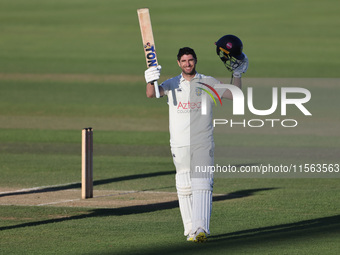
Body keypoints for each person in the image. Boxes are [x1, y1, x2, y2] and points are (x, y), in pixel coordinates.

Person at [144, 35, 248, 242]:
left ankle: (201, 229)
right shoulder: (172, 83)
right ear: (178, 63)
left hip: (202, 141)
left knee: (202, 183)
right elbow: (152, 94)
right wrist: (150, 79)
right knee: (183, 184)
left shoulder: (207, 81)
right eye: (183, 61)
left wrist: (237, 74)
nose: (187, 64)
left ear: (195, 61)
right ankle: (190, 230)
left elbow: (234, 95)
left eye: (190, 60)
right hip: (179, 142)